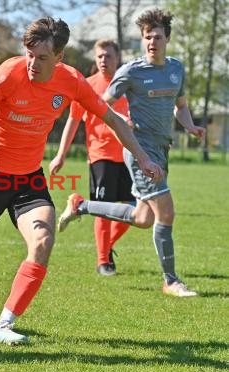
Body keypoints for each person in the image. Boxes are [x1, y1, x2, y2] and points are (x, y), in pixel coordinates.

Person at [0, 17, 163, 345]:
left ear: (60, 57)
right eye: (30, 54)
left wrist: (144, 157)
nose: (33, 63)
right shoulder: (9, 74)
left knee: (42, 241)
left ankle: (3, 325)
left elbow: (111, 118)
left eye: (43, 57)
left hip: (28, 180)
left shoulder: (71, 81)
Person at [57, 9, 206, 297]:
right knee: (167, 212)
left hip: (162, 150)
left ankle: (80, 206)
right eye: (147, 37)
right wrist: (119, 119)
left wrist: (190, 126)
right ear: (142, 40)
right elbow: (101, 105)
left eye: (158, 37)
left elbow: (182, 105)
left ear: (168, 39)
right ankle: (171, 281)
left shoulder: (176, 69)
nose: (152, 42)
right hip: (140, 153)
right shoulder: (131, 71)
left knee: (143, 218)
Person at [49, 39, 134, 276]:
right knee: (104, 209)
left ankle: (107, 246)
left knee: (136, 210)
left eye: (108, 56)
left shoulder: (128, 84)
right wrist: (61, 154)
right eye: (99, 56)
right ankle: (103, 260)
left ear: (118, 58)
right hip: (100, 155)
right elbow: (73, 120)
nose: (103, 60)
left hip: (129, 154)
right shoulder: (87, 86)